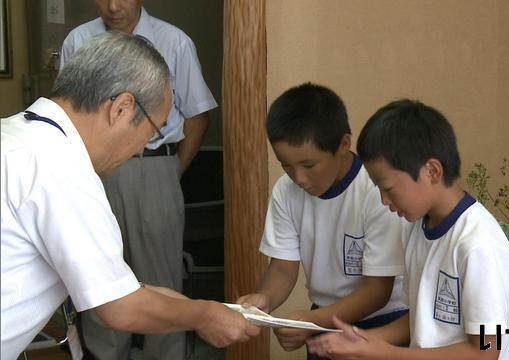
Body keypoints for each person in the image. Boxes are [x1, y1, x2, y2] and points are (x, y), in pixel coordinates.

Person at [0, 32, 260, 360]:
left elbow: (119, 287)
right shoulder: (62, 168)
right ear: (122, 108)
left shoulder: (20, 134)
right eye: (152, 132)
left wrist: (210, 308)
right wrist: (204, 317)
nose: (141, 149)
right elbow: (118, 307)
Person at [58, 1, 217, 358]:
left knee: (161, 279)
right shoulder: (78, 40)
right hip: (93, 172)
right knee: (98, 276)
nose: (114, 6)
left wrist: (173, 169)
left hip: (155, 169)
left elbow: (198, 115)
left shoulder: (174, 42)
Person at [306, 99, 509, 359]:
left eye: (389, 189)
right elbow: (417, 320)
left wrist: (384, 353)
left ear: (432, 171)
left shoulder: (478, 244)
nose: (384, 201)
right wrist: (361, 341)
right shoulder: (416, 227)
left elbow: (486, 352)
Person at [236, 83, 408, 359]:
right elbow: (282, 267)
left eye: (309, 165)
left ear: (343, 144)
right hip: (323, 317)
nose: (298, 178)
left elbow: (378, 290)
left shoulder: (376, 191)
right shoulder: (285, 191)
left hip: (384, 319)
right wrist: (264, 300)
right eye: (286, 165)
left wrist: (311, 322)